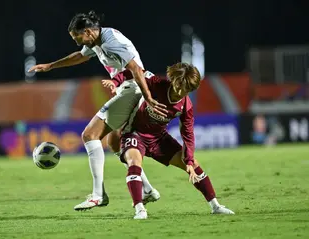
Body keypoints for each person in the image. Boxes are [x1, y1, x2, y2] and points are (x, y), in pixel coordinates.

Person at [28, 11, 165, 210]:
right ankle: (147, 189)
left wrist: (149, 98)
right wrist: (50, 66)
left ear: (89, 32)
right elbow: (80, 56)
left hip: (132, 89)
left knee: (90, 135)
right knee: (116, 142)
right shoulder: (98, 40)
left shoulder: (110, 41)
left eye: (78, 37)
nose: (77, 42)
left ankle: (98, 195)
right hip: (127, 89)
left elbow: (136, 69)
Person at [102, 62, 235, 219]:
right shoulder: (157, 83)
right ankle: (140, 209)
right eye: (179, 86)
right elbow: (135, 71)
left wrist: (190, 161)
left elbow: (188, 134)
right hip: (135, 133)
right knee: (134, 162)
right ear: (173, 80)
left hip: (159, 139)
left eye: (186, 90)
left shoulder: (186, 106)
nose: (180, 92)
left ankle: (216, 206)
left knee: (194, 166)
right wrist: (115, 82)